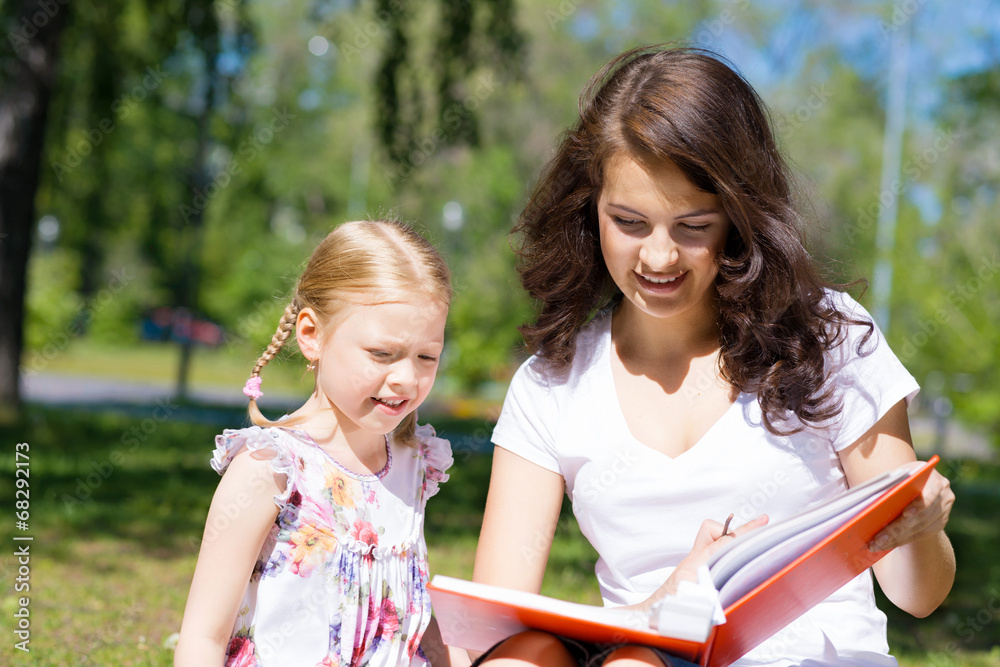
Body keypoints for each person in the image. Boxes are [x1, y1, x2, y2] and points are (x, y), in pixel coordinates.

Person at [470, 45, 956, 667]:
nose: (658, 259)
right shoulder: (551, 383)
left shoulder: (827, 338)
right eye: (629, 222)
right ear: (590, 209)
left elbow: (917, 596)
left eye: (693, 226)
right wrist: (661, 610)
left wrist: (922, 528)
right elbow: (488, 622)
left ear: (737, 216)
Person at [175, 219, 457, 666]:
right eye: (382, 354)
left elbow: (410, 609)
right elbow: (203, 638)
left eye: (427, 357)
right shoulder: (272, 466)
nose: (406, 378)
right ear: (312, 335)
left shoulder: (414, 462)